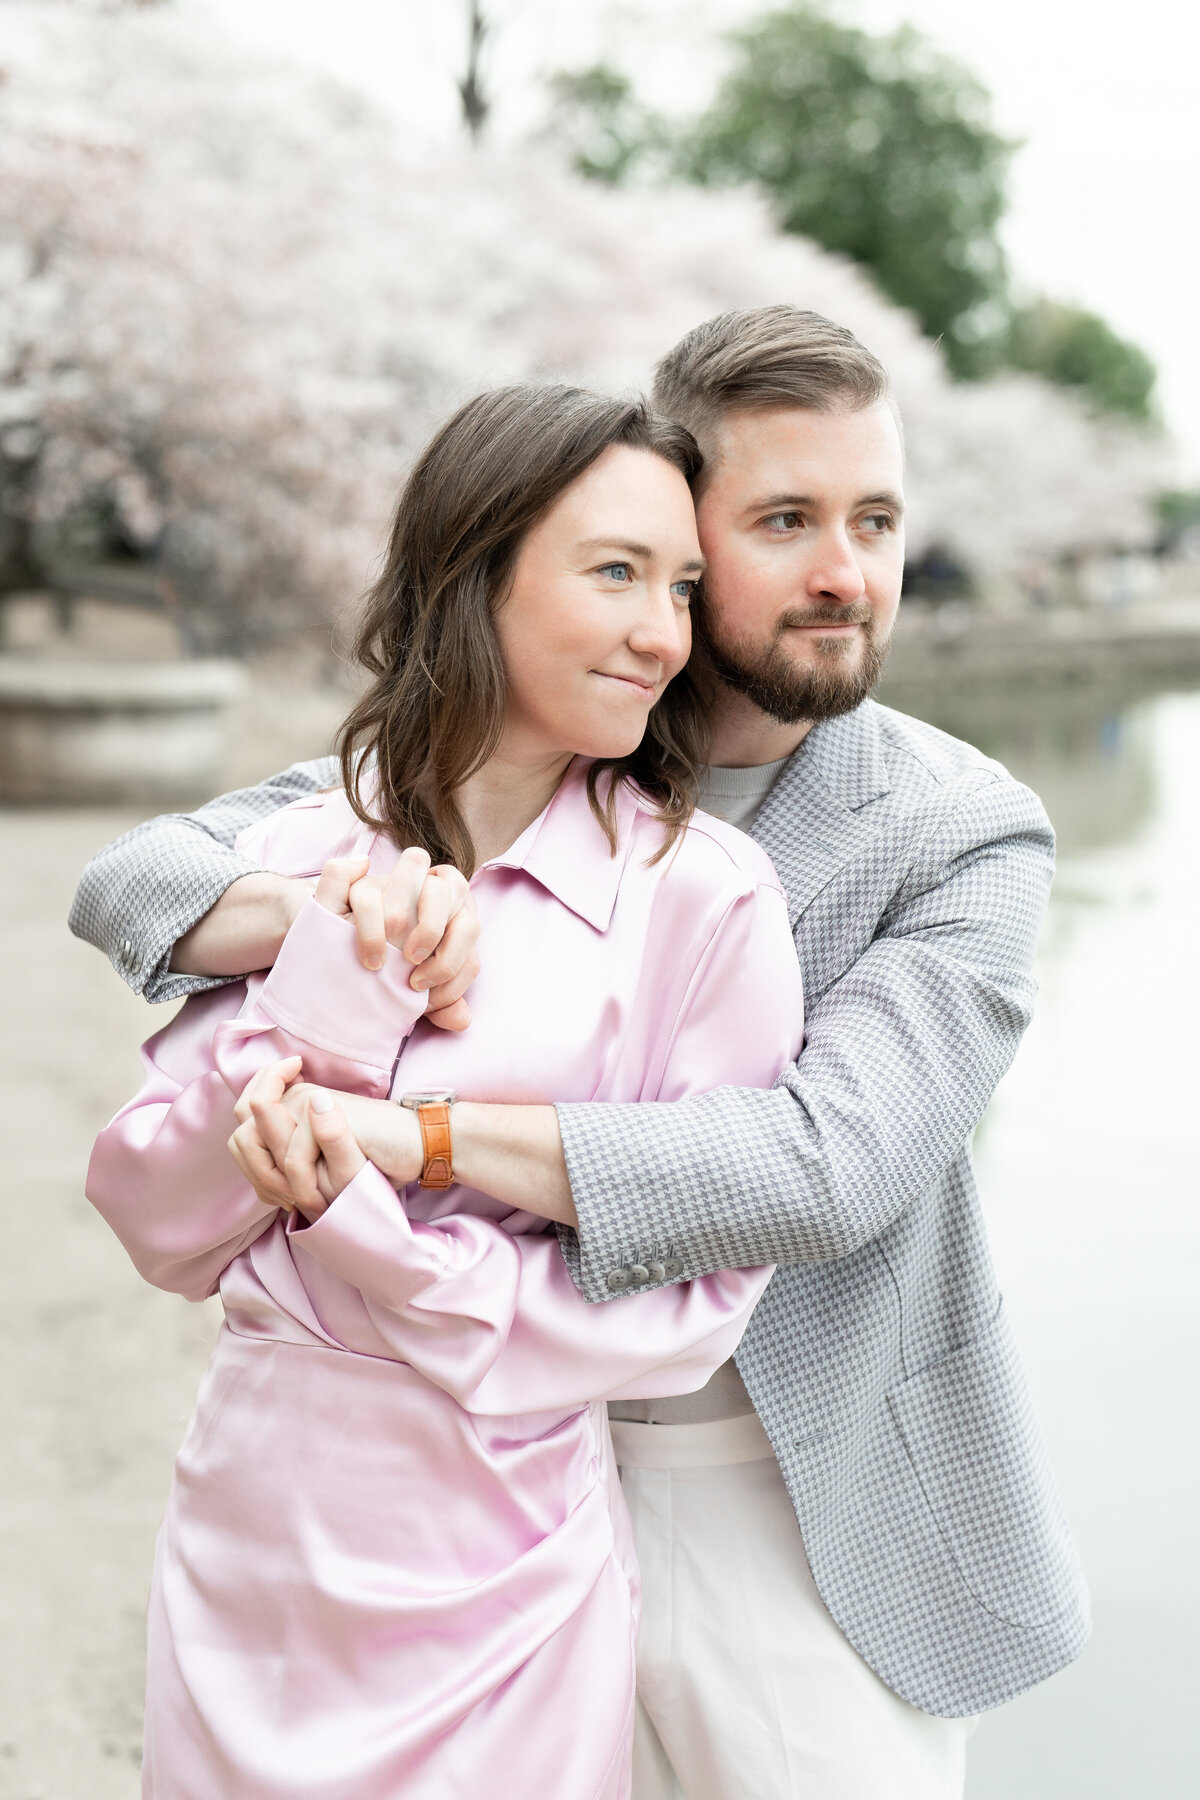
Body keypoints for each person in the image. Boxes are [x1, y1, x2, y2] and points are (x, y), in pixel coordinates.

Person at [73, 307, 1089, 1800]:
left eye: (876, 520)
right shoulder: (527, 749)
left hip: (789, 1500)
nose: (846, 575)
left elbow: (825, 1165)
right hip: (480, 1491)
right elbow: (141, 880)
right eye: (786, 521)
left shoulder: (959, 830)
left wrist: (413, 1134)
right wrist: (352, 918)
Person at [84, 384, 806, 1800]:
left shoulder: (702, 901)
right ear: (475, 574)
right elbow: (160, 1221)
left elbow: (694, 1311)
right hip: (252, 1540)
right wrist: (327, 986)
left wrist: (374, 1230)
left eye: (682, 588)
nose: (666, 634)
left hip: (503, 1568)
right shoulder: (298, 854)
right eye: (616, 574)